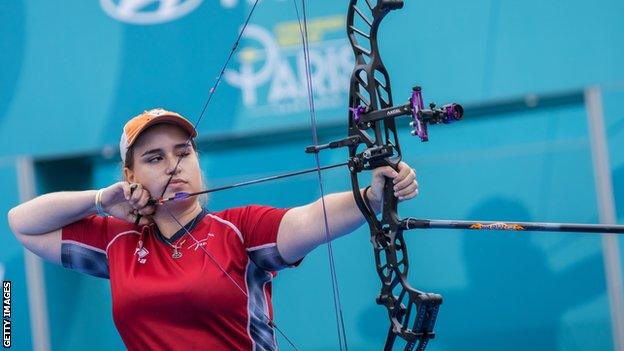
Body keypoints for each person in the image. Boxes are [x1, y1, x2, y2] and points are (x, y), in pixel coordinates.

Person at [7, 108, 419, 350]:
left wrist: (371, 195)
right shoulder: (117, 241)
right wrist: (100, 199)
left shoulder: (239, 228)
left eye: (183, 152)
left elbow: (310, 219)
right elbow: (21, 223)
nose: (173, 165)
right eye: (154, 158)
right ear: (130, 175)